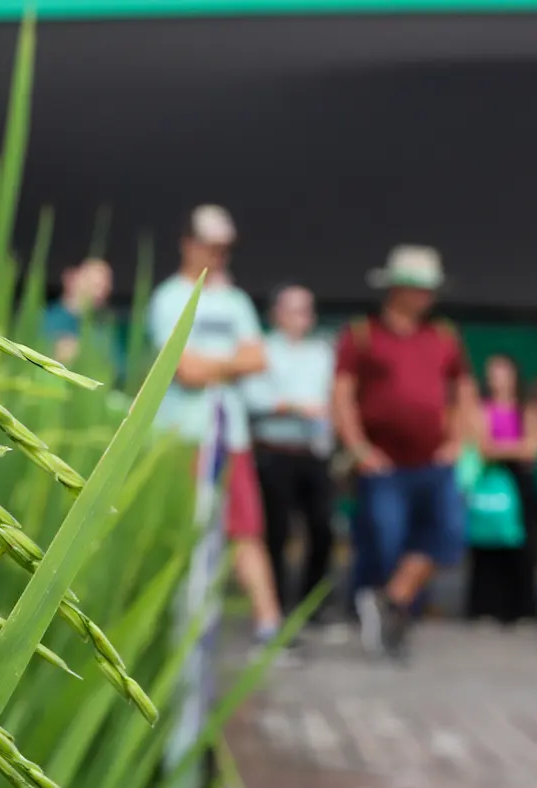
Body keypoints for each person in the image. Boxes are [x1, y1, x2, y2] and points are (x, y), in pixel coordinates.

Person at [149, 205, 286, 657]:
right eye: (211, 246)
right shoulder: (168, 298)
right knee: (180, 531)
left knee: (245, 528)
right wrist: (231, 363)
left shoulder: (236, 300)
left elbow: (258, 358)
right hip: (181, 435)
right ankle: (173, 623)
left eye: (225, 248)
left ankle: (268, 625)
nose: (219, 255)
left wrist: (211, 365)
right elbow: (184, 371)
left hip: (231, 436)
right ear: (188, 244)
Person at [332, 245, 478, 660]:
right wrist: (359, 448)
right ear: (395, 288)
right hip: (384, 464)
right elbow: (342, 396)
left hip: (434, 462)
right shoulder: (362, 334)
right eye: (418, 288)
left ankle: (393, 600)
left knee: (448, 536)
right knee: (386, 538)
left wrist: (457, 441)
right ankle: (386, 610)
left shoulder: (444, 336)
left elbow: (464, 389)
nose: (425, 296)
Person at [239, 284, 336, 622]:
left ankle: (313, 605)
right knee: (276, 532)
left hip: (313, 452)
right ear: (276, 313)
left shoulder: (322, 352)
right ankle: (273, 606)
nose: (300, 317)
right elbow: (253, 399)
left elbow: (331, 400)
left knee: (323, 529)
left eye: (306, 310)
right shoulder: (261, 349)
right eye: (293, 310)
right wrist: (294, 407)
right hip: (275, 451)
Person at [464, 354, 537, 625]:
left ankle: (521, 609)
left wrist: (500, 449)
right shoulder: (480, 408)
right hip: (488, 480)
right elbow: (481, 446)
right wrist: (514, 448)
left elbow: (533, 447)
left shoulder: (527, 408)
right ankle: (485, 607)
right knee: (485, 543)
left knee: (520, 545)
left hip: (519, 482)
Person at [43, 258, 115, 367]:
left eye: (104, 287)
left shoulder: (104, 331)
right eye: (94, 284)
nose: (99, 293)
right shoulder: (43, 319)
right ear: (71, 278)